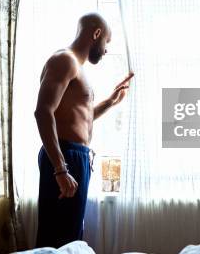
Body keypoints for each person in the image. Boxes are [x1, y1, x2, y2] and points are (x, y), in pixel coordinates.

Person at [34, 13, 134, 248]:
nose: (106, 49)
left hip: (75, 156)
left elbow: (81, 120)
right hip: (65, 155)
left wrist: (111, 101)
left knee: (71, 235)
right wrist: (60, 169)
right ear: (96, 34)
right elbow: (43, 112)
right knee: (58, 237)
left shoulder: (76, 68)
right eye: (106, 42)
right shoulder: (64, 61)